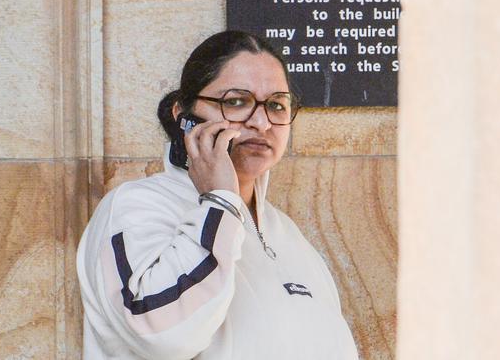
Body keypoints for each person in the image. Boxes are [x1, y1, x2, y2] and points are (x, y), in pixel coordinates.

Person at [76, 30, 359, 360]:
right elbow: (164, 334)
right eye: (236, 102)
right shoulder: (136, 206)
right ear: (184, 116)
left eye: (276, 105)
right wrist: (221, 200)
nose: (261, 122)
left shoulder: (287, 233)